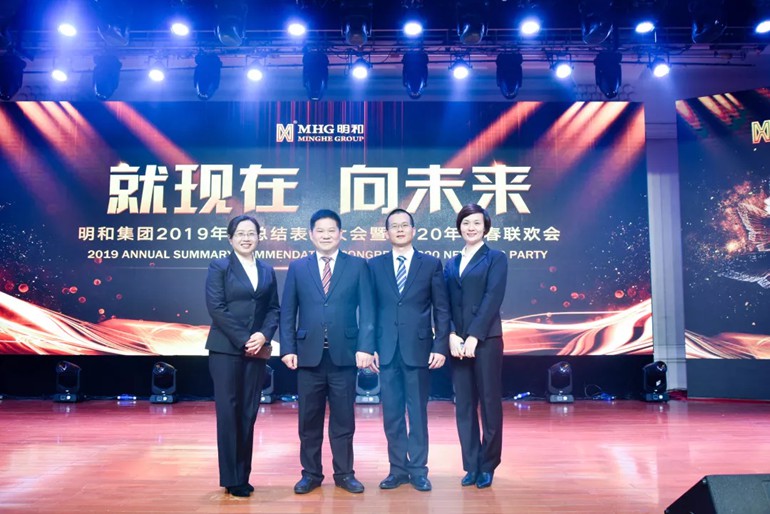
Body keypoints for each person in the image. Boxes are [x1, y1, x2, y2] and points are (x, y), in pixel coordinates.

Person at [280, 209, 375, 495]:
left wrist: (365, 347)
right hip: (308, 356)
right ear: (311, 234)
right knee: (308, 421)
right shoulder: (298, 267)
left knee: (344, 420)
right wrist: (287, 348)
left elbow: (368, 310)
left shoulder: (357, 266)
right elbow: (288, 311)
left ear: (341, 234)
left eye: (331, 230)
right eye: (320, 230)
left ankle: (345, 474)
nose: (325, 235)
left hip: (344, 355)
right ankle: (310, 474)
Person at [368, 208, 451, 492]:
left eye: (405, 225)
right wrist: (369, 346)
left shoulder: (431, 264)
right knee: (391, 414)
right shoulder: (374, 266)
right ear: (386, 233)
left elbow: (441, 309)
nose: (400, 230)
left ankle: (418, 470)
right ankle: (397, 469)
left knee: (417, 413)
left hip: (419, 349)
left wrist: (440, 345)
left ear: (414, 231)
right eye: (394, 226)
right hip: (386, 350)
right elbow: (369, 309)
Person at [205, 214, 280, 498]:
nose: (246, 238)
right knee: (229, 412)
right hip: (226, 349)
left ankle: (243, 475)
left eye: (251, 233)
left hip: (256, 350)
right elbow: (216, 307)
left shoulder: (267, 270)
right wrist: (244, 338)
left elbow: (273, 308)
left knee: (249, 411)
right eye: (241, 233)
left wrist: (263, 335)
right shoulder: (220, 266)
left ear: (259, 237)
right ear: (230, 238)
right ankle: (230, 478)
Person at [443, 204, 508, 489]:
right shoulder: (451, 263)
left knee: (489, 402)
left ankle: (488, 464)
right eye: (466, 223)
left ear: (485, 227)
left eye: (477, 223)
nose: (471, 228)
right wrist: (451, 334)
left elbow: (493, 298)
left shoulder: (496, 258)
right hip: (457, 343)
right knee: (464, 405)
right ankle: (471, 464)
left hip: (486, 340)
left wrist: (474, 336)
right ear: (459, 227)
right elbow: (444, 303)